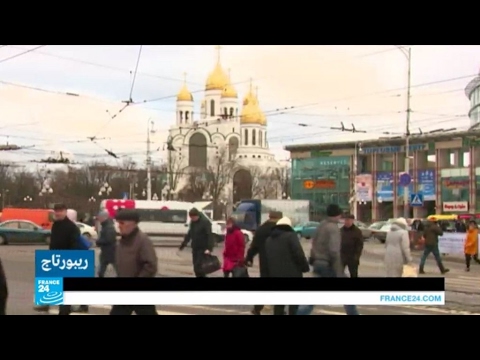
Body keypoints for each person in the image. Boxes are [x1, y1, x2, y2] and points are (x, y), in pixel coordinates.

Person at [297, 204, 359, 316]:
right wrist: (339, 271)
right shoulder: (333, 228)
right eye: (340, 214)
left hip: (318, 263)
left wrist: (313, 259)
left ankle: (300, 313)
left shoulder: (321, 225)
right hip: (328, 265)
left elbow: (314, 243)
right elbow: (334, 250)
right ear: (336, 215)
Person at [110, 209, 158, 315]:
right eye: (118, 223)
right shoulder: (122, 241)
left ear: (133, 224)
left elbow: (150, 266)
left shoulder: (143, 240)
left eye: (122, 223)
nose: (119, 226)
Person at [265, 217, 310, 315]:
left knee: (279, 304)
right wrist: (305, 267)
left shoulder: (268, 240)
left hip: (275, 275)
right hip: (292, 275)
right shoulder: (291, 236)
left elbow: (267, 260)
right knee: (293, 304)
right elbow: (298, 254)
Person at [50, 203, 87, 315]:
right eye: (56, 211)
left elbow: (75, 245)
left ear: (65, 212)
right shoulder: (55, 225)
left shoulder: (71, 227)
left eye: (60, 211)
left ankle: (65, 311)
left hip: (67, 261)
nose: (58, 213)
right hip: (56, 260)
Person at [245, 211, 283, 315]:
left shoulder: (261, 229)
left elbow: (254, 246)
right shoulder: (281, 229)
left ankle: (257, 308)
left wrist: (249, 258)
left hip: (265, 262)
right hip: (279, 262)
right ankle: (279, 310)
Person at [179, 208, 214, 277]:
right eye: (191, 218)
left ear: (197, 216)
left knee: (200, 268)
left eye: (193, 217)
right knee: (196, 268)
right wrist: (183, 245)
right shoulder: (193, 223)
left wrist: (209, 248)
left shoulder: (205, 222)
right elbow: (189, 234)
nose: (192, 219)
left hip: (203, 249)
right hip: (195, 248)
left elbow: (209, 235)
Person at [96, 210, 118, 277]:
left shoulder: (108, 227)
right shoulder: (106, 225)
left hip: (110, 251)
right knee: (103, 267)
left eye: (99, 218)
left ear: (103, 217)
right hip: (107, 250)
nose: (98, 219)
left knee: (116, 267)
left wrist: (99, 241)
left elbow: (109, 239)